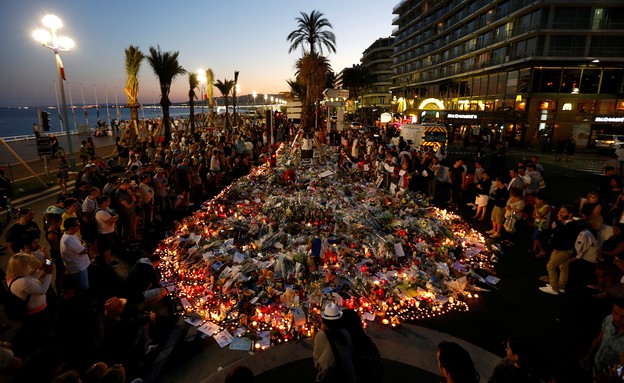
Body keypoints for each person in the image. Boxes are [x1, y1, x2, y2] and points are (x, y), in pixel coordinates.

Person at [538, 205, 580, 295]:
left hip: (563, 250)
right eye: (559, 211)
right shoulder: (566, 223)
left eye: (562, 212)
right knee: (563, 267)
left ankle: (554, 288)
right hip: (566, 249)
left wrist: (556, 248)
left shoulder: (570, 225)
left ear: (570, 214)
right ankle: (561, 287)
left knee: (550, 266)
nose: (559, 214)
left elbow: (561, 238)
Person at [581, 297, 624, 380]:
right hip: (594, 368)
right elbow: (599, 339)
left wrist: (615, 377)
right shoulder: (609, 319)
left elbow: (621, 367)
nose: (617, 319)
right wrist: (588, 356)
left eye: (623, 317)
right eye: (615, 313)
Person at [313, 303, 357, 383]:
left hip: (331, 377)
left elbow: (317, 360)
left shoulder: (321, 335)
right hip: (348, 376)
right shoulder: (345, 333)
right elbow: (350, 352)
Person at [589, 223, 624, 299]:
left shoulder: (622, 242)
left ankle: (605, 293)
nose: (614, 231)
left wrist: (602, 252)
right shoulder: (613, 237)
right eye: (614, 229)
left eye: (616, 230)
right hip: (605, 258)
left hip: (613, 261)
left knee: (609, 278)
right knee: (598, 272)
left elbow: (614, 253)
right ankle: (599, 287)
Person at [60, 217, 90, 293]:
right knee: (82, 288)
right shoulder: (69, 240)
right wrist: (85, 244)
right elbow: (84, 251)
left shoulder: (70, 235)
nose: (79, 225)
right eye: (77, 224)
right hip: (78, 268)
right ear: (71, 227)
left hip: (79, 266)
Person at [95, 196, 119, 266]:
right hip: (105, 234)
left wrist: (114, 217)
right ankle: (107, 263)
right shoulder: (101, 212)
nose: (109, 202)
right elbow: (112, 220)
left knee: (108, 248)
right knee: (106, 249)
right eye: (108, 201)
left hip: (108, 233)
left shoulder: (105, 209)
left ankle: (109, 260)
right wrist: (116, 216)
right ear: (104, 202)